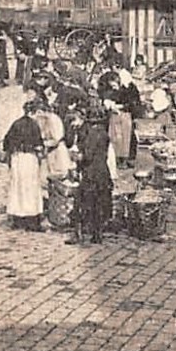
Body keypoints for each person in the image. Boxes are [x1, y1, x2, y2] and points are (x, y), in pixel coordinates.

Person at [69, 103, 117, 245]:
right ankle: (97, 234)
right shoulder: (103, 133)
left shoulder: (92, 134)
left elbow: (87, 156)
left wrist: (74, 156)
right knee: (99, 204)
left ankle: (78, 234)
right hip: (103, 171)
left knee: (81, 202)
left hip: (91, 172)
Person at [3, 100, 46, 231]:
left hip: (17, 158)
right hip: (29, 158)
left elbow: (6, 142)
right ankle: (32, 220)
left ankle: (17, 219)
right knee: (31, 188)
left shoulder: (16, 123)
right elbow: (39, 144)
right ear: (32, 112)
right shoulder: (34, 125)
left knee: (18, 187)